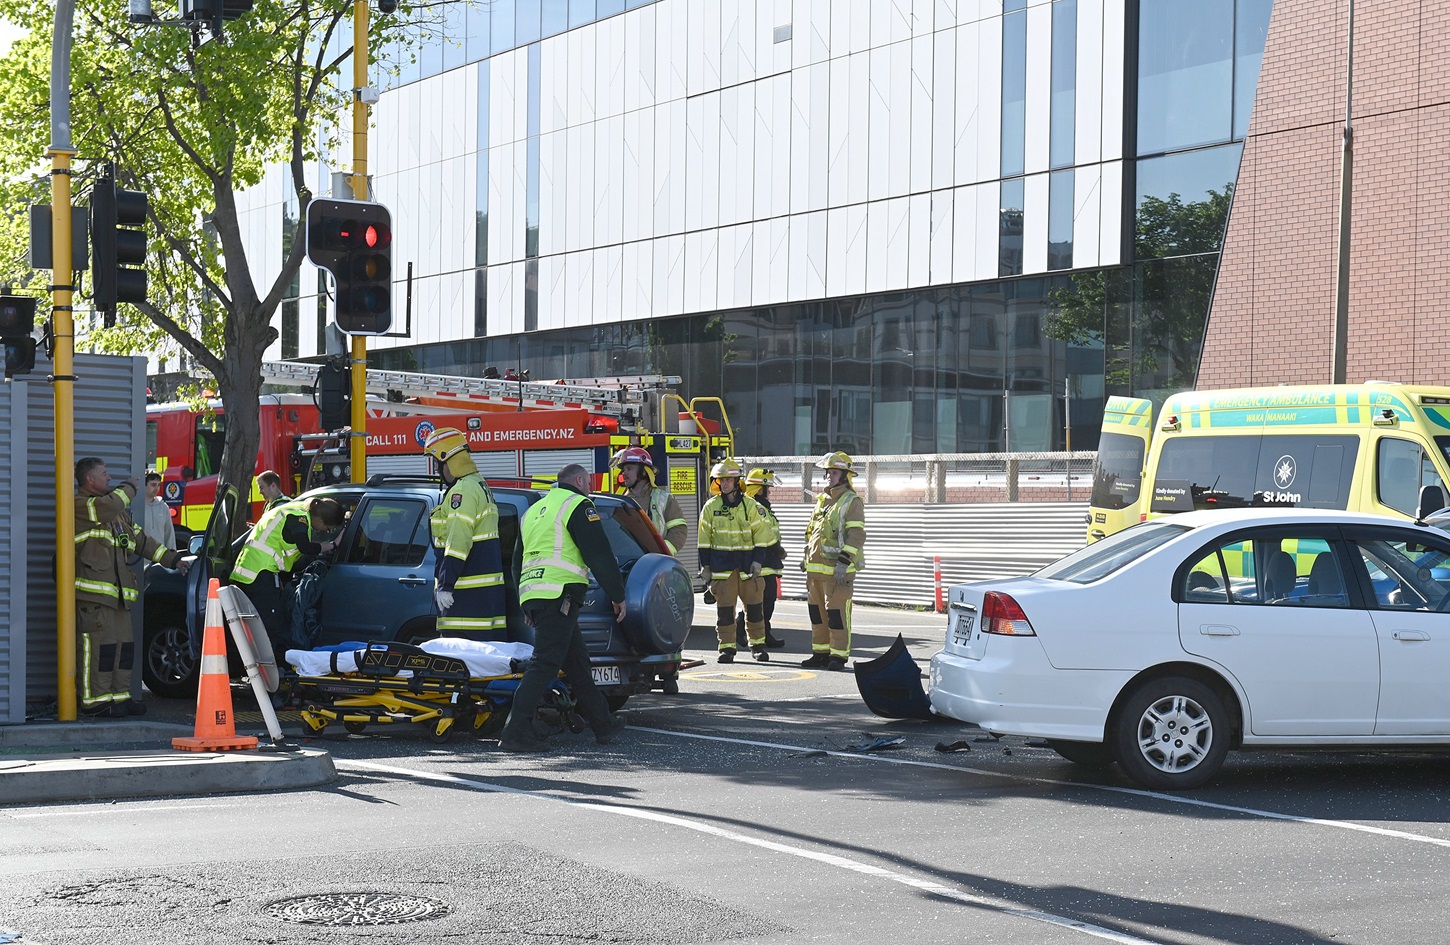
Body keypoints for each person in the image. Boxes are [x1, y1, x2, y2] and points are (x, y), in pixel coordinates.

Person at [499, 463, 628, 752]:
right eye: (590, 482)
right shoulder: (579, 505)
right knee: (545, 662)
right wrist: (617, 594)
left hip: (537, 594)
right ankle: (515, 731)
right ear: (579, 480)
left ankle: (602, 723)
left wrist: (526, 602)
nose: (591, 488)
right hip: (561, 594)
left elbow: (517, 561)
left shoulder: (534, 511)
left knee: (577, 663)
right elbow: (598, 552)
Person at [74, 457, 192, 716]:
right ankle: (95, 704)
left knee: (124, 650)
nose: (109, 477)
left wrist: (173, 559)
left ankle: (120, 699)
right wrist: (129, 486)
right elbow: (108, 505)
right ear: (89, 480)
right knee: (98, 652)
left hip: (118, 597)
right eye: (103, 473)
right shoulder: (82, 506)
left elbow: (141, 541)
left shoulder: (114, 514)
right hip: (94, 598)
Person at [230, 494, 345, 652]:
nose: (327, 532)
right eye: (328, 528)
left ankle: (262, 661)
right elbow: (304, 546)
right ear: (319, 520)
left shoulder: (294, 509)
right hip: (259, 572)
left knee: (259, 622)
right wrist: (332, 545)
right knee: (271, 623)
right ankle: (275, 665)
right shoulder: (299, 517)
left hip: (252, 570)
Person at [422, 427, 508, 634]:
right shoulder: (479, 485)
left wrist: (446, 585)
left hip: (466, 604)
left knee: (458, 662)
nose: (436, 470)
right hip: (484, 600)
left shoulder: (462, 491)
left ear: (448, 461)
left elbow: (458, 541)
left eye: (437, 463)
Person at [697, 458, 774, 664]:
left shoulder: (751, 506)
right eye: (721, 480)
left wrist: (758, 561)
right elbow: (704, 539)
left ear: (737, 481)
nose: (724, 484)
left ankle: (757, 646)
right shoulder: (710, 507)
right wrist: (705, 566)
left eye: (728, 480)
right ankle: (726, 648)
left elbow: (761, 536)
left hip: (748, 568)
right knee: (725, 612)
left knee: (755, 609)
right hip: (722, 570)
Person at [801, 451, 866, 671]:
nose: (829, 476)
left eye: (834, 472)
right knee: (817, 614)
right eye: (828, 472)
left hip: (837, 572)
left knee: (837, 615)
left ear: (845, 476)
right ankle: (820, 653)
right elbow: (812, 532)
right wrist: (805, 557)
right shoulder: (822, 501)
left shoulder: (851, 501)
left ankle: (838, 656)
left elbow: (856, 536)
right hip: (816, 572)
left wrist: (843, 562)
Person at [735, 468, 786, 650]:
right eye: (767, 488)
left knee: (764, 600)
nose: (769, 492)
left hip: (767, 561)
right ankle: (739, 630)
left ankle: (764, 632)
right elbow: (765, 532)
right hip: (762, 561)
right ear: (759, 488)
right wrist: (778, 549)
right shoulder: (757, 507)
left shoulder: (759, 505)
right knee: (760, 601)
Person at [610, 446, 688, 555]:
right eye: (623, 470)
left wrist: (664, 553)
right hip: (631, 563)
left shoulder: (664, 499)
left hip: (657, 564)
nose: (624, 474)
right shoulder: (620, 503)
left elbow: (679, 530)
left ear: (643, 472)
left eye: (629, 469)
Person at [141, 472, 177, 551]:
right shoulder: (138, 507)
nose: (156, 488)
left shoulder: (163, 507)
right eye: (153, 485)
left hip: (159, 559)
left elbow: (169, 534)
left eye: (159, 485)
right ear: (144, 485)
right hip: (140, 559)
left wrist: (172, 556)